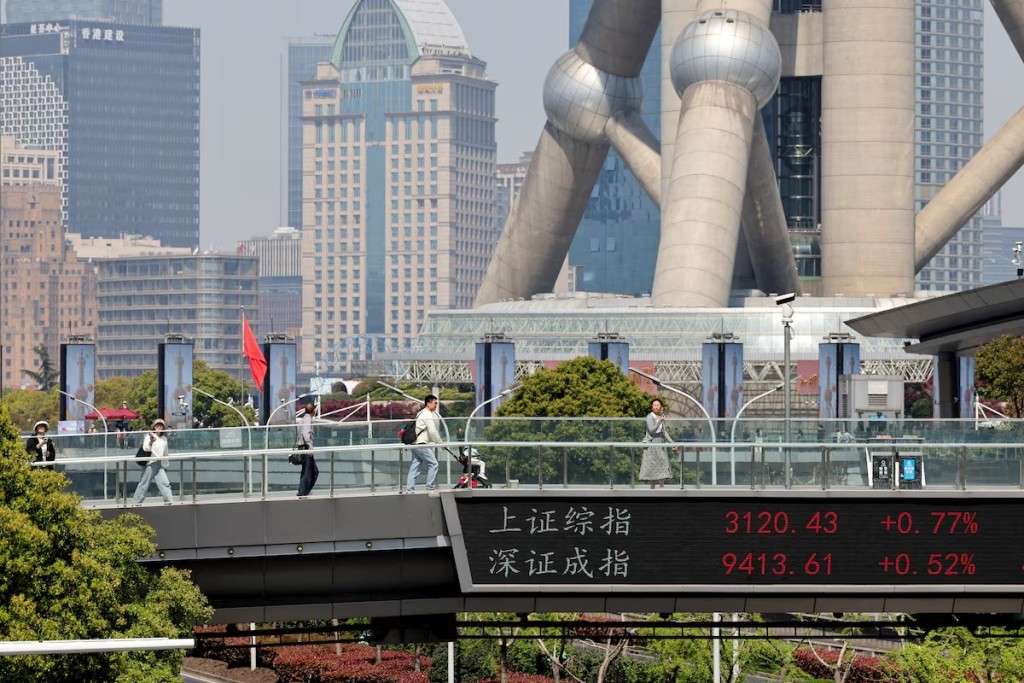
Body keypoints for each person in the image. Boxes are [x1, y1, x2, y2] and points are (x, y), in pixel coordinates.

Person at [132, 419, 174, 504]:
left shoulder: (164, 438)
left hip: (159, 464)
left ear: (163, 427)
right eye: (157, 425)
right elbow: (145, 448)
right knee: (144, 484)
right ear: (154, 427)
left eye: (160, 425)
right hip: (150, 464)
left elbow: (165, 453)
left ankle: (170, 502)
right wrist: (151, 442)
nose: (158, 427)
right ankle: (136, 502)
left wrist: (165, 465)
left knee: (165, 483)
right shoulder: (149, 436)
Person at [406, 394, 442, 492]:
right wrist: (440, 442)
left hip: (415, 444)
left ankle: (409, 490)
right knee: (434, 464)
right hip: (421, 444)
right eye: (435, 403)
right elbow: (432, 430)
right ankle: (430, 488)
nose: (436, 405)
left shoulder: (420, 413)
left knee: (415, 467)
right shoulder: (427, 413)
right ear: (428, 403)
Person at [639, 399, 673, 488]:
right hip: (653, 443)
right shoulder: (650, 417)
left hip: (660, 442)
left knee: (663, 462)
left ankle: (662, 486)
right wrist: (659, 421)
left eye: (658, 405)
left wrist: (672, 443)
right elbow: (652, 430)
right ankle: (652, 488)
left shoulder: (661, 417)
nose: (656, 407)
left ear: (660, 406)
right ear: (652, 407)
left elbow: (664, 431)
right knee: (652, 465)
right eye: (654, 405)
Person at [295, 399, 318, 497]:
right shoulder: (308, 419)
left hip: (303, 447)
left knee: (307, 470)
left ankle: (302, 491)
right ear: (313, 411)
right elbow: (306, 434)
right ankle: (303, 492)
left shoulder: (303, 418)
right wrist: (310, 448)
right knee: (310, 471)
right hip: (306, 448)